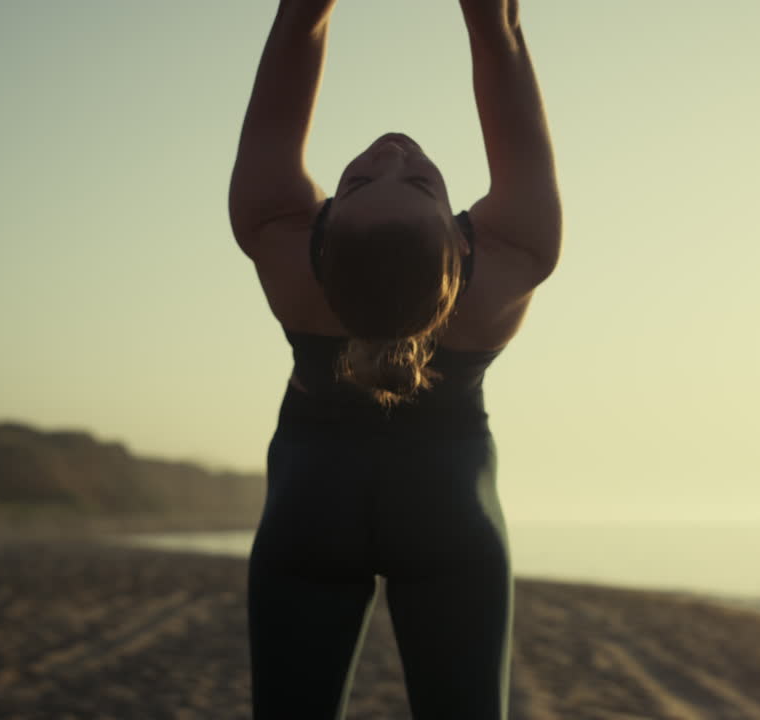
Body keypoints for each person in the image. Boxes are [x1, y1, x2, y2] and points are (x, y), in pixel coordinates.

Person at [228, 0, 560, 717]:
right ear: (462, 239)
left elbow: (297, 23)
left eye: (361, 183)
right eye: (413, 183)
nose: (390, 153)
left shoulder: (281, 242)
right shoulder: (513, 259)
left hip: (309, 509)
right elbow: (498, 28)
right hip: (450, 517)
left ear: (319, 241)